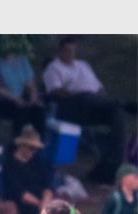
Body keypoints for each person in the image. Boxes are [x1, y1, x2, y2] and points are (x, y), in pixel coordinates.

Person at [42, 36, 125, 183]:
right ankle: (124, 104)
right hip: (71, 106)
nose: (70, 54)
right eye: (67, 51)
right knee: (91, 99)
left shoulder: (83, 65)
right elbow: (55, 91)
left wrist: (100, 98)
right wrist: (78, 94)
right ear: (60, 51)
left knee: (117, 115)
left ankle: (106, 172)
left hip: (93, 105)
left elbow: (99, 88)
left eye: (73, 51)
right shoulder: (54, 68)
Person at [0, 125, 54, 214]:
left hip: (41, 202)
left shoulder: (39, 161)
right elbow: (19, 192)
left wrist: (45, 203)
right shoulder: (9, 164)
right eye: (31, 148)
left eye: (36, 149)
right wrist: (40, 205)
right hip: (19, 201)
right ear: (22, 145)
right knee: (15, 211)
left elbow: (48, 187)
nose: (34, 152)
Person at [0, 51, 45, 135]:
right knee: (22, 111)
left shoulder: (23, 60)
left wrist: (33, 96)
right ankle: (17, 140)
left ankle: (38, 141)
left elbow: (30, 84)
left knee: (39, 111)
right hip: (0, 100)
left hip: (19, 99)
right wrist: (15, 99)